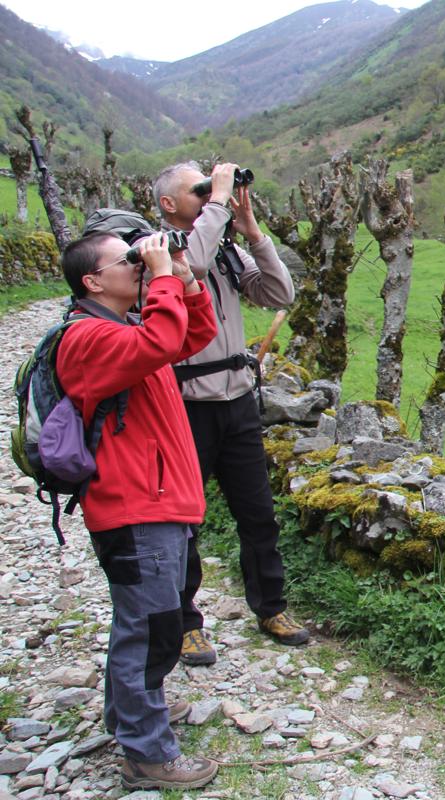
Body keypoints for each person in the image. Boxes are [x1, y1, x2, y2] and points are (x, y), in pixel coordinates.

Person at [57, 231, 219, 790]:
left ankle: (129, 716)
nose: (137, 263)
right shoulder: (86, 338)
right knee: (149, 632)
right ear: (92, 281)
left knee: (152, 623)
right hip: (134, 509)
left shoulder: (124, 330)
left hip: (158, 504)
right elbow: (161, 340)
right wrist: (164, 280)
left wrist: (184, 277)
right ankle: (148, 754)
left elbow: (193, 333)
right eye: (124, 259)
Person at [153, 161, 308, 665]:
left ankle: (271, 606)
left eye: (210, 187)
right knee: (184, 522)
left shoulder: (222, 250)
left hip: (237, 402)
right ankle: (184, 623)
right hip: (186, 406)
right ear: (168, 205)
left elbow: (280, 294)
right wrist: (219, 201)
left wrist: (254, 232)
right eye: (196, 191)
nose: (208, 196)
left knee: (258, 514)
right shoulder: (160, 250)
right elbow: (189, 266)